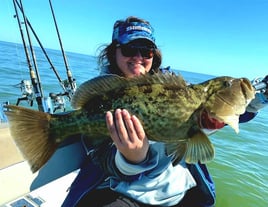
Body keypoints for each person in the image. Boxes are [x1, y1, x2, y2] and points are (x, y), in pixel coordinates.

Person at [62, 16, 268, 207]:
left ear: (154, 55)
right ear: (113, 51)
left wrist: (261, 98)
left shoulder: (178, 89)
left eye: (146, 51)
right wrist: (132, 157)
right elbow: (100, 156)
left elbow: (229, 111)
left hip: (178, 190)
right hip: (123, 192)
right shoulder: (103, 99)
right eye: (129, 49)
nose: (138, 57)